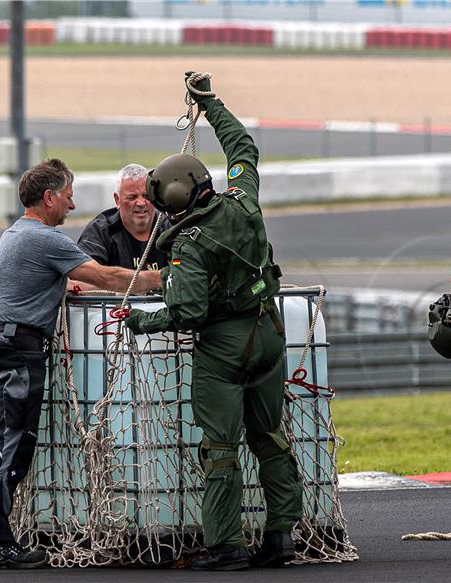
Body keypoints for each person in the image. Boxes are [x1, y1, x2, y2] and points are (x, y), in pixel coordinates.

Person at [0, 158, 161, 569]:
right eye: (68, 196)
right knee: (12, 444)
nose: (71, 207)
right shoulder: (45, 238)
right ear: (49, 197)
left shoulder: (15, 233)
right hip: (20, 350)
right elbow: (109, 279)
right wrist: (161, 278)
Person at [124, 73, 303, 571]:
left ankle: (226, 546)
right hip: (269, 333)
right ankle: (282, 535)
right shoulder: (245, 204)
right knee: (270, 437)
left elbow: (188, 314)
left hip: (224, 348)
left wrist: (139, 321)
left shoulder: (187, 247)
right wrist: (210, 102)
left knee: (221, 449)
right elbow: (242, 146)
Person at [77, 163, 170, 270]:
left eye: (146, 196)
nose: (140, 203)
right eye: (132, 197)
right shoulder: (99, 232)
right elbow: (85, 277)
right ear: (117, 200)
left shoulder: (170, 228)